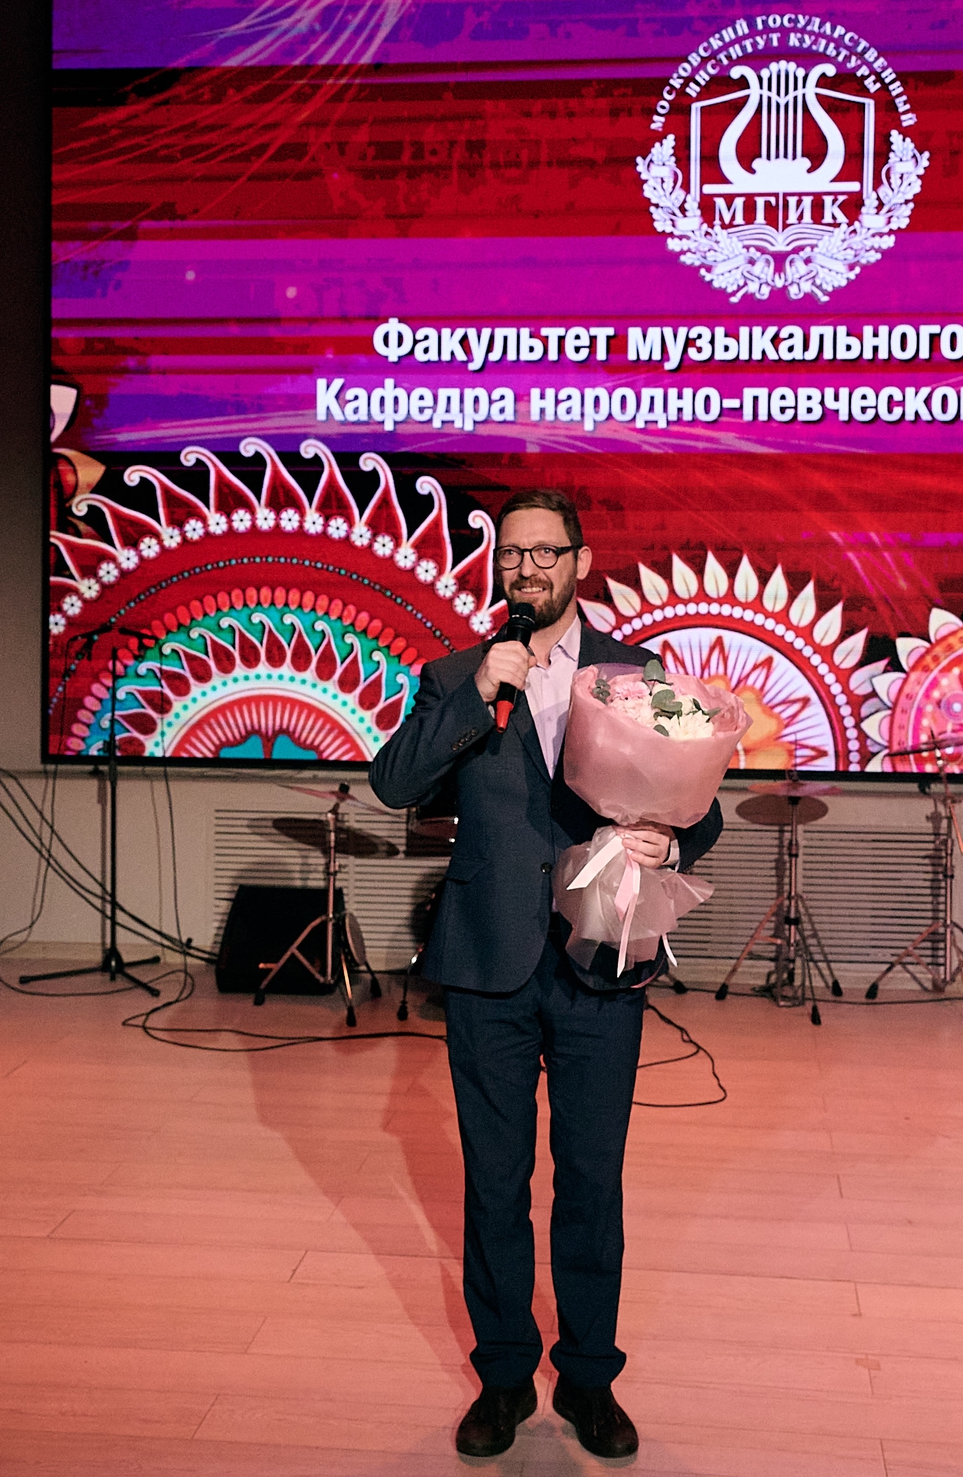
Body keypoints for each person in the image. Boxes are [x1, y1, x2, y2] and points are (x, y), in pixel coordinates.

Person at [369, 487, 724, 1459]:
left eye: (544, 552)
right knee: (494, 1181)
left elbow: (702, 807)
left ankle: (588, 1377)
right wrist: (476, 695)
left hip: (598, 953)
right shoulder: (457, 674)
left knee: (591, 1180)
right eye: (510, 554)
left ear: (580, 560)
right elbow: (395, 783)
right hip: (486, 957)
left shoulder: (638, 674)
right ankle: (502, 1375)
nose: (525, 569)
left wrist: (668, 840)